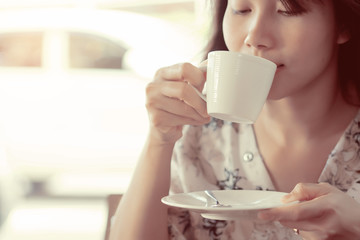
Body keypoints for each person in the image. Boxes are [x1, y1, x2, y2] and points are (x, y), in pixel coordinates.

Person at [109, 0, 360, 239]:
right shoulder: (196, 131)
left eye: (286, 10)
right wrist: (158, 140)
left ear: (343, 24)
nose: (255, 37)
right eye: (242, 9)